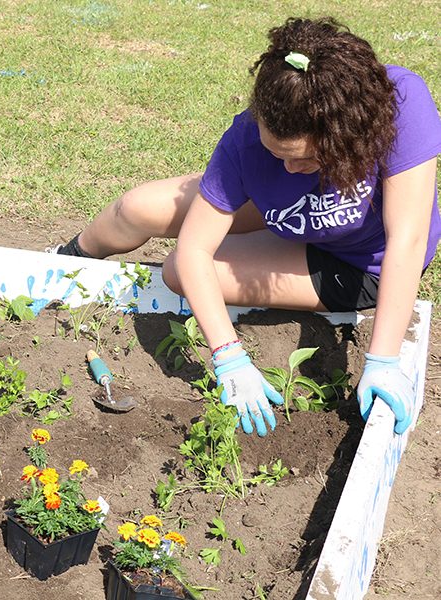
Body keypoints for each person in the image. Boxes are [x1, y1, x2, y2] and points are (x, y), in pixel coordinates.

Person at [53, 17, 441, 436]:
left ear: (346, 134)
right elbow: (195, 247)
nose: (290, 168)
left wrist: (382, 360)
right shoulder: (246, 138)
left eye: (306, 160)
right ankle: (64, 262)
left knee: (175, 273)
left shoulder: (399, 104)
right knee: (137, 208)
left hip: (361, 265)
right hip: (294, 216)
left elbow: (407, 239)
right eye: (277, 155)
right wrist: (229, 358)